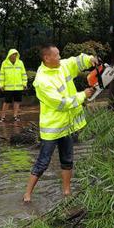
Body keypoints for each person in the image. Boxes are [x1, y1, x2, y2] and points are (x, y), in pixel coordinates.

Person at [23, 44, 98, 202]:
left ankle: (66, 191)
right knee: (43, 162)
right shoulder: (42, 80)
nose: (59, 57)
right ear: (47, 58)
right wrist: (82, 95)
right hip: (52, 128)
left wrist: (89, 59)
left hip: (66, 125)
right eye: (56, 55)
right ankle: (27, 194)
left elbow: (75, 61)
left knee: (67, 160)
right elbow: (61, 103)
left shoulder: (61, 65)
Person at [0, 49, 28, 122]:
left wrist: (24, 83)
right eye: (13, 54)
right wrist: (1, 85)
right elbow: (2, 75)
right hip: (8, 87)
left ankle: (15, 116)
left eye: (15, 54)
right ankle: (3, 117)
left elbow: (23, 74)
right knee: (6, 102)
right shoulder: (4, 63)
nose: (14, 55)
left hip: (18, 87)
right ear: (9, 55)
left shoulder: (20, 63)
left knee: (17, 102)